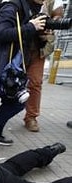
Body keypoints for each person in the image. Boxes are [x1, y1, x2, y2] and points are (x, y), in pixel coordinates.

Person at [0, 0, 47, 149]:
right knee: (18, 102)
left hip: (11, 62)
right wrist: (31, 26)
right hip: (1, 62)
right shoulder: (11, 7)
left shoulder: (30, 8)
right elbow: (0, 33)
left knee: (11, 100)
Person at [23, 0, 64, 132]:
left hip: (38, 47)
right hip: (17, 43)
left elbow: (58, 14)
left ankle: (31, 117)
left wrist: (51, 25)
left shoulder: (53, 1)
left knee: (35, 82)